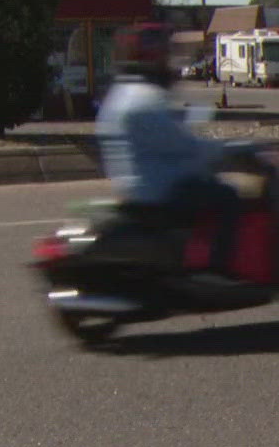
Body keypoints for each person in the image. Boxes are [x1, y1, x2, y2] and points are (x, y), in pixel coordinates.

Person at [96, 24, 243, 281]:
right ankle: (218, 269)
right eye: (165, 53)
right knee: (227, 197)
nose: (169, 61)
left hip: (133, 188)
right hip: (159, 191)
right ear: (153, 57)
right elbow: (185, 147)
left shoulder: (120, 93)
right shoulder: (145, 99)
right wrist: (223, 151)